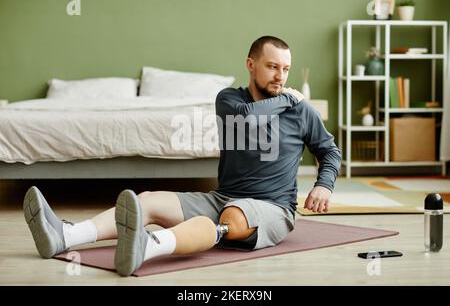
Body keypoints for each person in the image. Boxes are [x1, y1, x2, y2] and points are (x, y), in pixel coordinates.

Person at [23, 36, 342, 276]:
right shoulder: (230, 99)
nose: (281, 77)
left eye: (286, 69)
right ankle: (65, 235)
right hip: (223, 197)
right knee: (146, 200)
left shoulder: (301, 112)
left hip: (272, 208)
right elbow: (249, 115)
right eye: (273, 67)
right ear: (250, 64)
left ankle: (149, 247)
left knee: (232, 218)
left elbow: (328, 150)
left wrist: (324, 184)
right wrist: (289, 99)